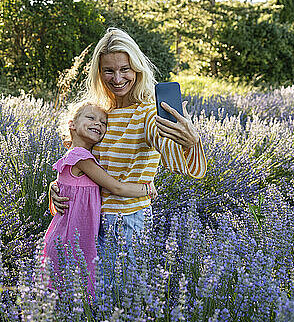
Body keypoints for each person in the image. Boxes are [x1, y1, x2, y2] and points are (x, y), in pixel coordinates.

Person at [49, 27, 206, 293]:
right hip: (87, 217)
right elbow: (78, 161)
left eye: (125, 69)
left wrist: (191, 142)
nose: (118, 78)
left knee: (120, 297)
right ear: (99, 73)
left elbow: (183, 165)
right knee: (87, 294)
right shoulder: (99, 112)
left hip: (125, 221)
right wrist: (57, 188)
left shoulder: (147, 114)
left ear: (137, 69)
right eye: (109, 70)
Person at [43, 100, 157, 298]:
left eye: (104, 122)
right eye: (91, 118)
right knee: (75, 293)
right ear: (72, 124)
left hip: (71, 236)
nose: (98, 124)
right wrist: (147, 189)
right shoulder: (81, 157)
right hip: (71, 239)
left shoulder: (80, 155)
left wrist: (53, 187)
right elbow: (115, 186)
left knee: (70, 293)